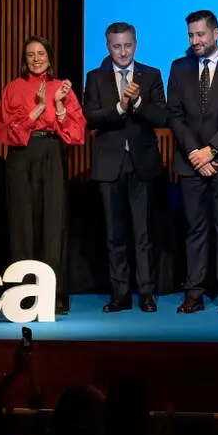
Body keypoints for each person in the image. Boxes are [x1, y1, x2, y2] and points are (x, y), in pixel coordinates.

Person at [0, 36, 86, 315]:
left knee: (53, 224)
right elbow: (5, 131)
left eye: (41, 53)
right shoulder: (14, 87)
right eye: (30, 54)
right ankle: (23, 294)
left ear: (49, 57)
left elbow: (77, 132)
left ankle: (52, 296)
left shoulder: (62, 87)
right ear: (24, 59)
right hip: (22, 157)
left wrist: (57, 105)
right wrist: (38, 108)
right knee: (22, 225)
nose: (36, 58)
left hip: (52, 155)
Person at [83, 22, 167, 313]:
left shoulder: (151, 74)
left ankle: (146, 293)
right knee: (114, 234)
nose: (122, 51)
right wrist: (120, 107)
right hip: (109, 166)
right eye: (116, 46)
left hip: (143, 165)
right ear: (107, 46)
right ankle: (120, 294)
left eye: (127, 45)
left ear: (136, 43)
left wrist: (139, 101)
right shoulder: (95, 77)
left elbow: (161, 116)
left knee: (143, 234)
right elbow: (90, 117)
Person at [167, 10, 218, 314]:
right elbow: (174, 115)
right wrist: (197, 153)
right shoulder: (179, 67)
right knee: (195, 230)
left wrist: (213, 150)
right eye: (191, 35)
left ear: (216, 33)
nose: (195, 41)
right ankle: (193, 292)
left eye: (200, 35)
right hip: (190, 161)